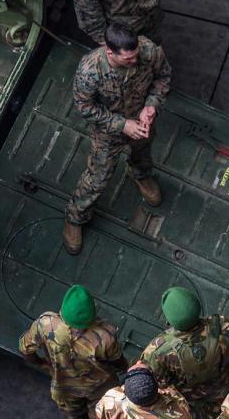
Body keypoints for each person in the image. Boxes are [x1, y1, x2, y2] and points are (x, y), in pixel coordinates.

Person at [65, 25, 171, 255]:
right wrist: (122, 125)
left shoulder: (148, 50)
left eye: (136, 55)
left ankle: (140, 175)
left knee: (142, 154)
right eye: (128, 58)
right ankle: (75, 217)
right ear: (110, 52)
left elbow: (163, 76)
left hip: (142, 122)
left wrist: (151, 105)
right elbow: (85, 108)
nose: (135, 60)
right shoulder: (90, 71)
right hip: (109, 131)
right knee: (98, 177)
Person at [17, 284, 125, 419]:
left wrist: (42, 363)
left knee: (71, 408)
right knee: (102, 409)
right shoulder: (105, 337)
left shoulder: (45, 324)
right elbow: (118, 361)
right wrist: (126, 368)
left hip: (64, 384)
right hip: (98, 385)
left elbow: (25, 350)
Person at [141, 286, 229, 419]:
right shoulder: (222, 326)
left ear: (169, 320)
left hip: (191, 403)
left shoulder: (158, 351)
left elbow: (158, 384)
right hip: (225, 390)